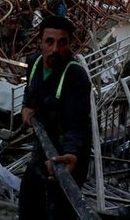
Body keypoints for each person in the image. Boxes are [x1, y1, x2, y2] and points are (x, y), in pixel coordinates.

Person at [19, 16, 92, 220]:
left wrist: (70, 153)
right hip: (43, 143)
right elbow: (30, 91)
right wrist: (26, 107)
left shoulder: (76, 76)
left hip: (69, 154)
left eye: (62, 42)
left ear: (70, 45)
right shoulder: (34, 62)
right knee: (29, 200)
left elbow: (77, 124)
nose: (55, 49)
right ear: (40, 42)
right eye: (49, 41)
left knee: (61, 209)